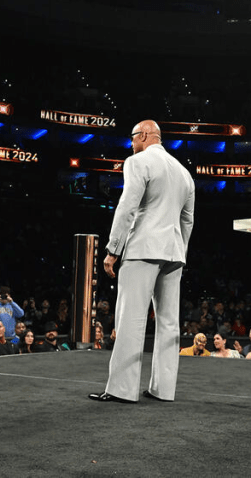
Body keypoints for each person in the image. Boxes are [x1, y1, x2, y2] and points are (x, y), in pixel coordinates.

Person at [90, 120, 195, 404]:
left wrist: (113, 249)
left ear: (145, 135)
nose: (131, 144)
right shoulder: (184, 173)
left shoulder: (138, 162)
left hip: (143, 248)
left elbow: (127, 206)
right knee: (169, 323)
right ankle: (163, 389)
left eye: (133, 138)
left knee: (131, 318)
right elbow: (187, 220)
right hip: (173, 252)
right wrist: (181, 254)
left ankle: (121, 389)